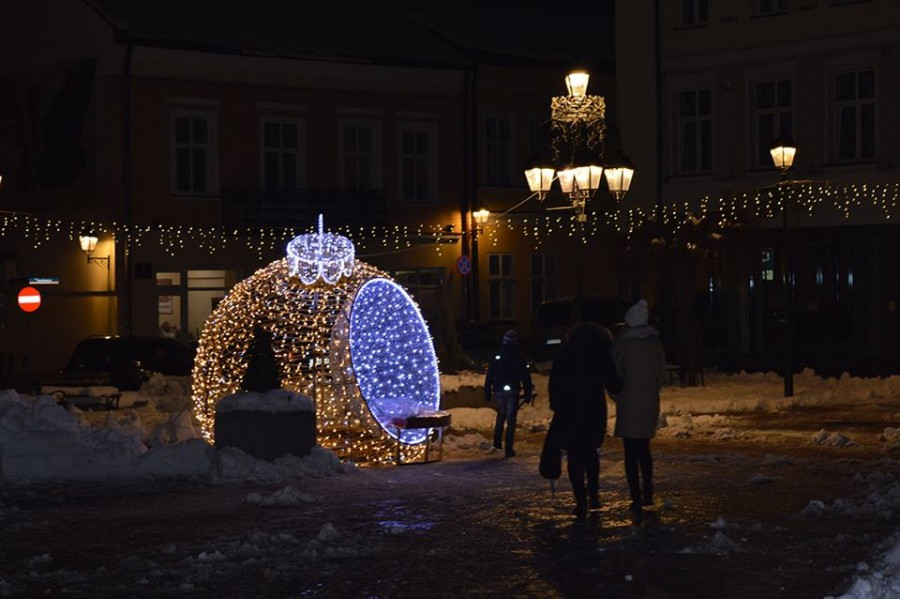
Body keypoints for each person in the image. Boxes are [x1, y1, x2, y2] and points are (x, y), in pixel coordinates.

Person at [548, 322, 622, 519]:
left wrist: (556, 405)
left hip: (569, 411)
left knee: (574, 455)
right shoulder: (600, 353)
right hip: (593, 410)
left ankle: (580, 500)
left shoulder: (565, 353)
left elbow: (554, 382)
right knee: (590, 453)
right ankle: (594, 495)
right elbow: (613, 383)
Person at [612, 299, 667, 515]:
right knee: (644, 449)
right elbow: (661, 374)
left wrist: (618, 396)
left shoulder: (622, 346)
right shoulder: (655, 345)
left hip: (628, 403)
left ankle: (635, 494)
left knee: (630, 452)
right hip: (649, 403)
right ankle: (648, 490)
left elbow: (615, 376)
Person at [484, 329, 532, 458]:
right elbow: (525, 377)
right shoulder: (520, 359)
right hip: (513, 390)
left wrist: (487, 390)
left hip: (499, 390)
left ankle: (497, 441)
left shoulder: (497, 357)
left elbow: (490, 375)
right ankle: (508, 448)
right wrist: (528, 392)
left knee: (501, 414)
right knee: (511, 419)